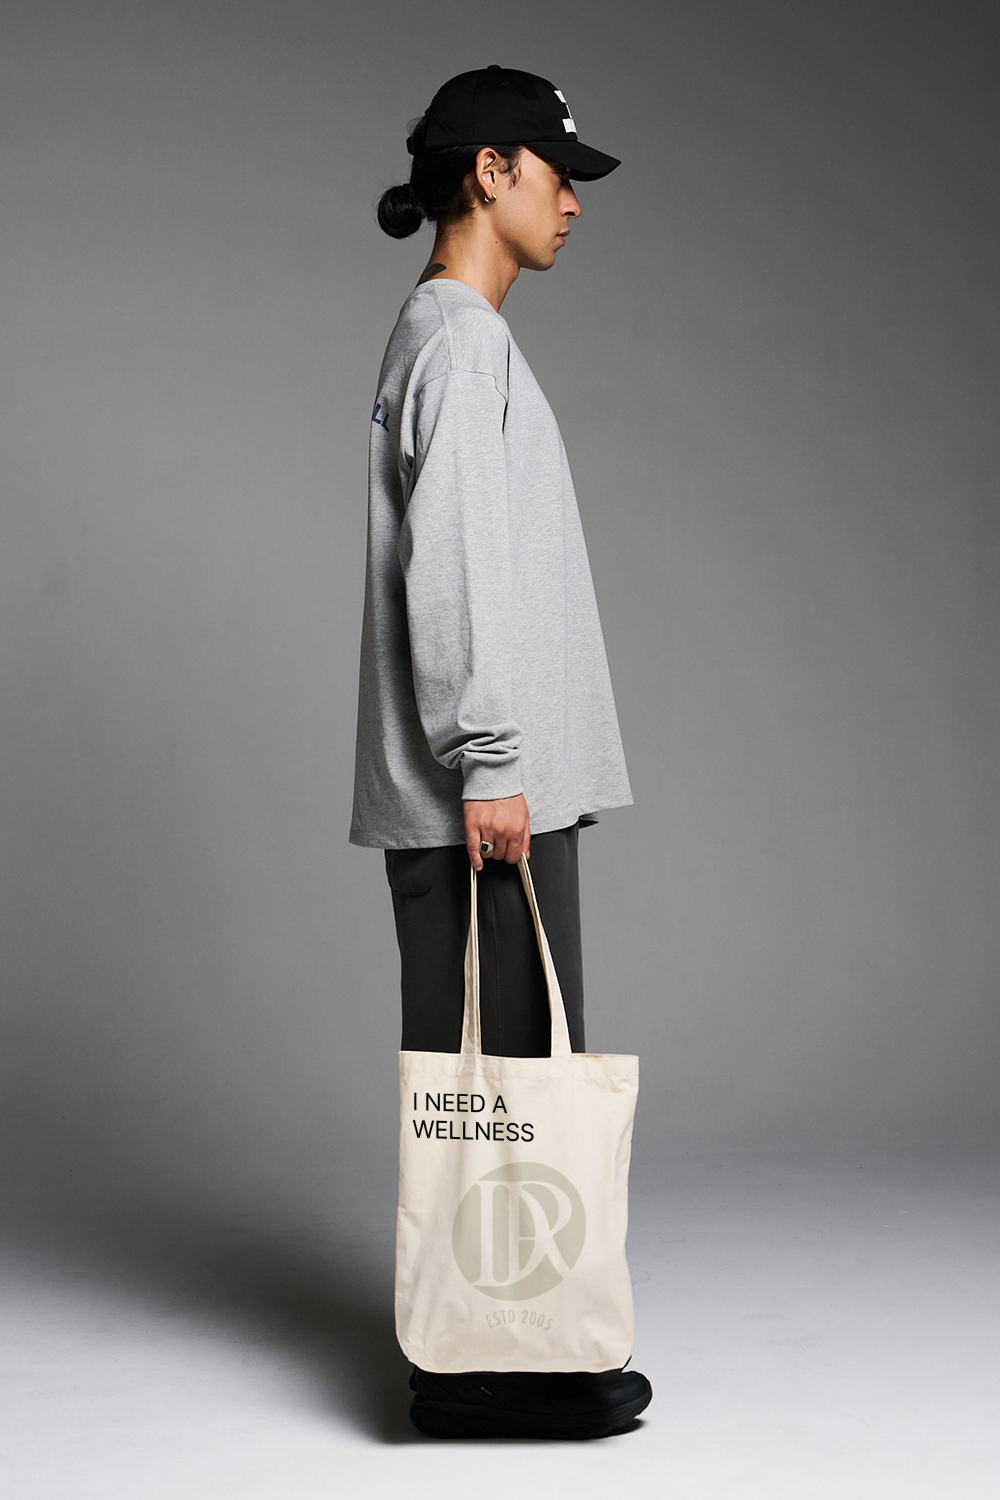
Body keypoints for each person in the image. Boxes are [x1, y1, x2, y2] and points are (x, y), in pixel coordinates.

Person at [350, 64, 651, 1440]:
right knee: (504, 1083)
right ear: (491, 172)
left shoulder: (444, 336)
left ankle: (497, 1352)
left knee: (493, 1088)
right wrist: (490, 761)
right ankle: (491, 1373)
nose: (572, 202)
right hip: (485, 790)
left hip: (485, 784)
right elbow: (458, 568)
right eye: (557, 172)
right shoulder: (462, 346)